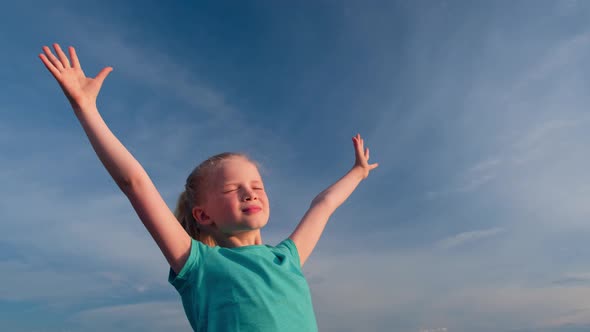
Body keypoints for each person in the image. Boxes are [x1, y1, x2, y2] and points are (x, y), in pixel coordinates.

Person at [39, 43, 378, 332]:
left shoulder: (286, 258)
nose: (251, 193)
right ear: (202, 214)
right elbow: (135, 183)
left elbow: (323, 204)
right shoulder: (197, 265)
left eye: (257, 185)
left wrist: (359, 173)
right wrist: (86, 109)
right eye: (233, 189)